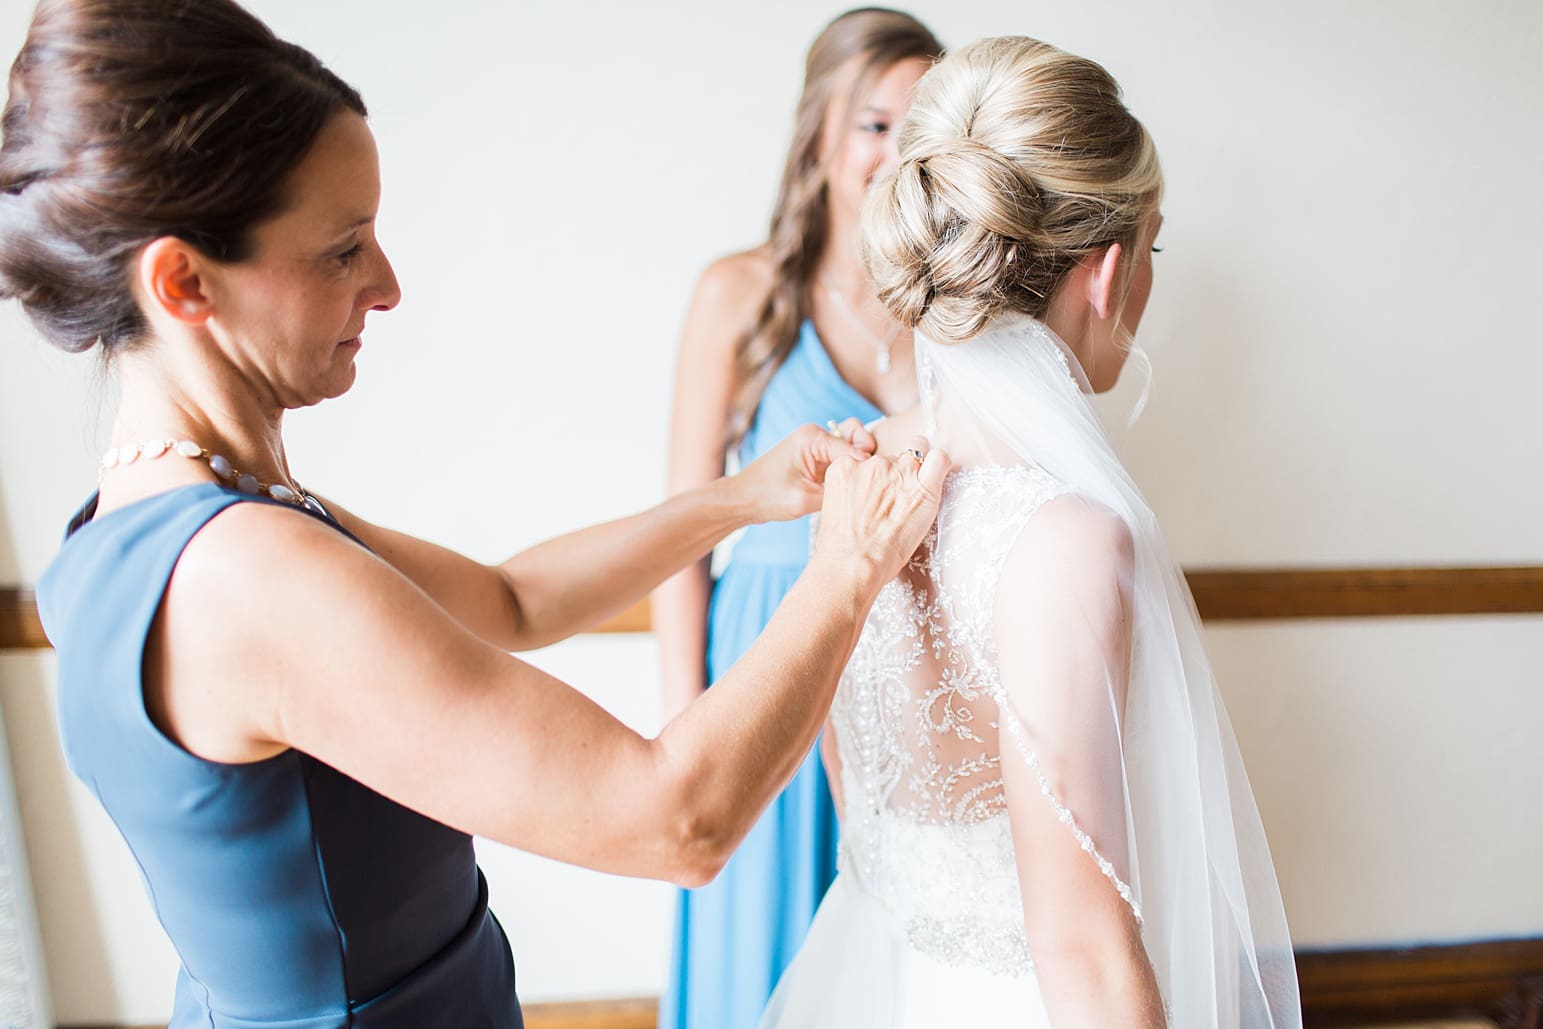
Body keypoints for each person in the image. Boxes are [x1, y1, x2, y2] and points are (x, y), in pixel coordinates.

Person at [0, 1, 950, 1025]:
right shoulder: (247, 575)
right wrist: (845, 568)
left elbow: (512, 599)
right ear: (184, 281)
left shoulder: (148, 522)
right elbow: (678, 821)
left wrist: (742, 496)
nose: (388, 285)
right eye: (342, 248)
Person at [759, 36, 1303, 1028]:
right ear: (1104, 274)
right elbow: (1084, 954)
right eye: (1152, 248)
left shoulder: (857, 476)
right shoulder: (1066, 538)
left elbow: (856, 796)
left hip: (880, 987)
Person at [655, 9, 943, 1026]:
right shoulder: (737, 293)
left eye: (924, 127)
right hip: (771, 641)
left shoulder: (954, 305)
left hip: (913, 660)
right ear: (819, 136)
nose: (896, 152)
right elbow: (683, 529)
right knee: (765, 931)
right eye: (873, 125)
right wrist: (683, 726)